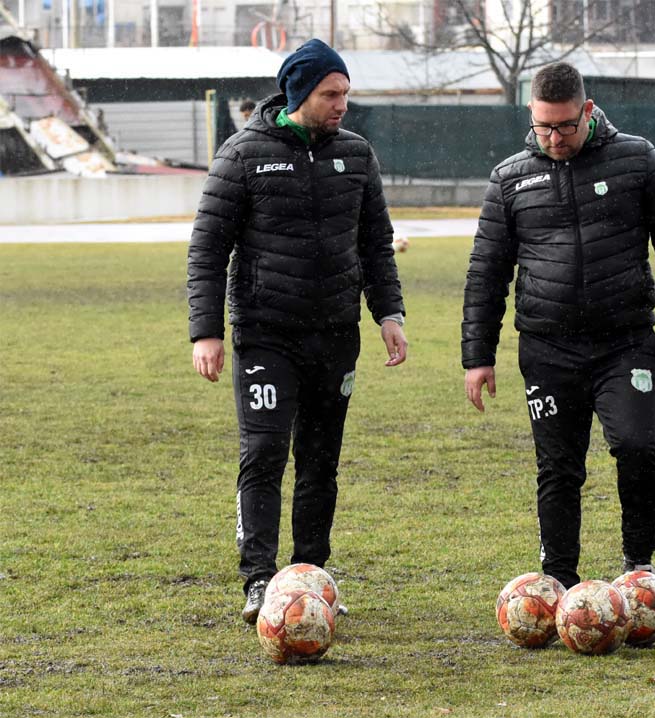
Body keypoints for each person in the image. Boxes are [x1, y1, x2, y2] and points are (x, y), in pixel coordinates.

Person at [461, 62, 655, 590]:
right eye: (543, 127)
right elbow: (486, 271)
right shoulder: (510, 178)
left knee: (636, 446)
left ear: (587, 111)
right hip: (546, 348)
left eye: (565, 126)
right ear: (531, 115)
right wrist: (478, 355)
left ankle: (639, 566)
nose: (554, 138)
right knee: (558, 467)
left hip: (624, 343)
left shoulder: (638, 160)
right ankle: (558, 580)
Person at [187, 39, 408, 623]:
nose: (342, 104)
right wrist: (205, 331)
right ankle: (259, 579)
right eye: (331, 94)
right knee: (264, 454)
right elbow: (207, 248)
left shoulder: (356, 154)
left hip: (335, 335)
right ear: (299, 93)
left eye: (345, 93)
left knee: (320, 460)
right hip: (266, 334)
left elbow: (375, 243)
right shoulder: (244, 154)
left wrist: (389, 314)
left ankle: (310, 574)